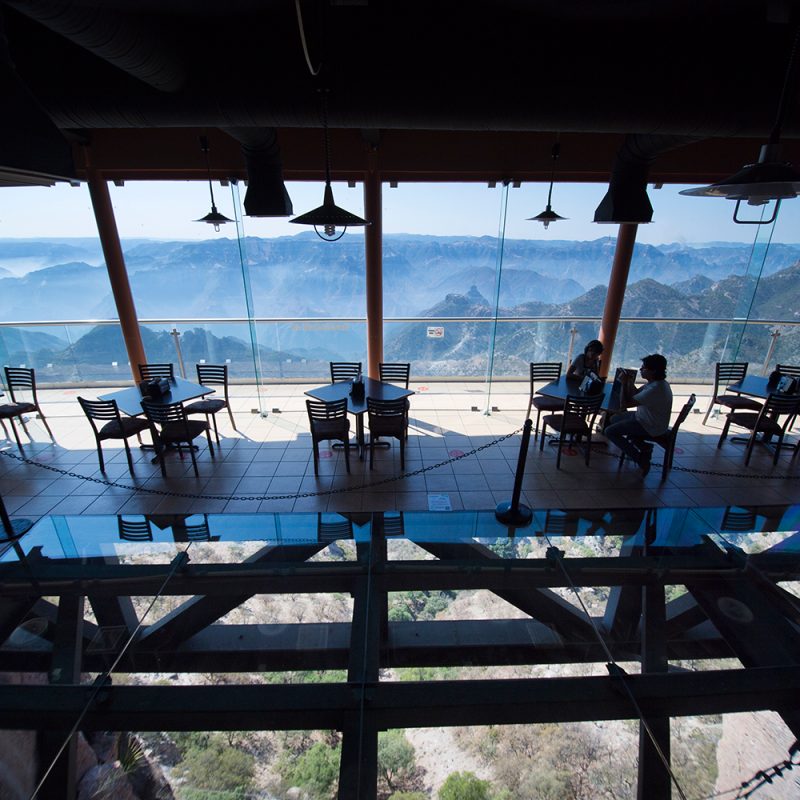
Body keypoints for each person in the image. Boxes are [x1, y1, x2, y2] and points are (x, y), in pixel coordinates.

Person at [604, 353, 673, 477]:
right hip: (643, 418)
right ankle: (643, 446)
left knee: (609, 431)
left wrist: (624, 384)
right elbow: (636, 393)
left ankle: (640, 459)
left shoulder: (655, 390)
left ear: (653, 371)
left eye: (644, 368)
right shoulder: (656, 383)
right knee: (614, 418)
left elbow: (625, 404)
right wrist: (630, 381)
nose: (641, 369)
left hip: (650, 426)